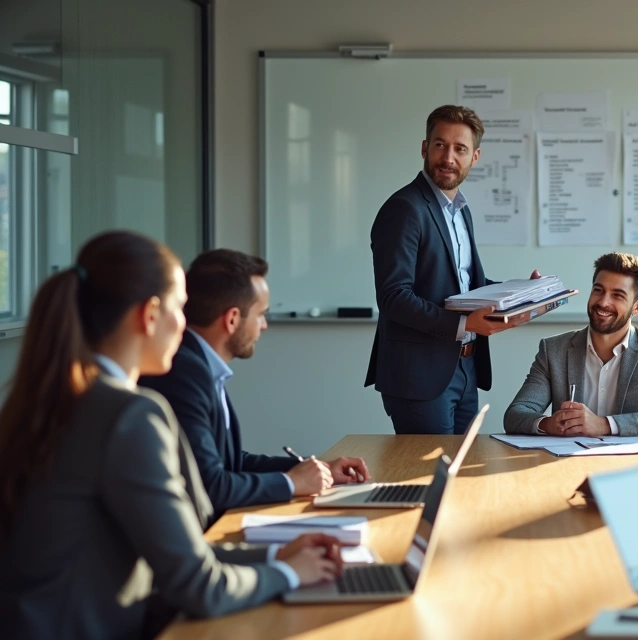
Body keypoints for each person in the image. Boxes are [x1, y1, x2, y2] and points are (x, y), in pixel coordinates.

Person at [0, 232, 342, 639]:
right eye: (180, 308)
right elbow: (199, 587)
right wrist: (289, 572)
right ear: (150, 314)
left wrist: (274, 554)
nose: (185, 324)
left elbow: (171, 552)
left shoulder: (45, 399)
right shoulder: (129, 416)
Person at [141, 249, 370, 516]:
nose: (264, 326)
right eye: (261, 314)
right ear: (232, 319)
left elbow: (232, 462)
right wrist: (292, 482)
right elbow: (210, 485)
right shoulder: (183, 373)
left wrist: (315, 470)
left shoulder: (199, 364)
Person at [365, 104, 538, 434]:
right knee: (429, 480)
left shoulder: (460, 211)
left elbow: (465, 286)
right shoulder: (404, 209)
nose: (448, 157)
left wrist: (521, 294)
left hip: (464, 366)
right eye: (440, 145)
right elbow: (393, 296)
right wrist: (461, 324)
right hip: (420, 376)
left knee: (461, 473)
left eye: (460, 149)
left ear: (474, 157)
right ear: (424, 148)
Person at [504, 253, 638, 437]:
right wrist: (548, 424)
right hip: (566, 463)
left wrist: (604, 424)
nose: (603, 302)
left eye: (618, 295)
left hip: (631, 465)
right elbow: (515, 414)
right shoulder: (554, 350)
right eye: (598, 290)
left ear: (636, 307)